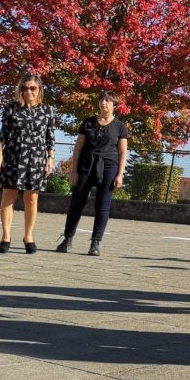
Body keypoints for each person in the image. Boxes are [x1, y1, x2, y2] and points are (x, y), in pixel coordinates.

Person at [55, 91, 130, 256]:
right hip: (86, 165)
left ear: (114, 105)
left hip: (109, 166)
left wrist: (120, 175)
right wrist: (74, 170)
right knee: (77, 203)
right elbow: (78, 148)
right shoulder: (87, 122)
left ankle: (95, 243)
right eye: (101, 100)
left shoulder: (120, 127)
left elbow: (123, 152)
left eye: (108, 101)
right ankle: (67, 239)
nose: (104, 103)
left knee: (102, 206)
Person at [0, 74, 55, 254]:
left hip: (36, 158)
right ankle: (6, 236)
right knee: (8, 196)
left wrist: (50, 158)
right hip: (13, 156)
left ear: (39, 90)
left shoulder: (47, 110)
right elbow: (3, 133)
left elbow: (50, 137)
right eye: (25, 88)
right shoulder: (11, 108)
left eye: (32, 88)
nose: (29, 91)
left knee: (31, 198)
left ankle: (28, 236)